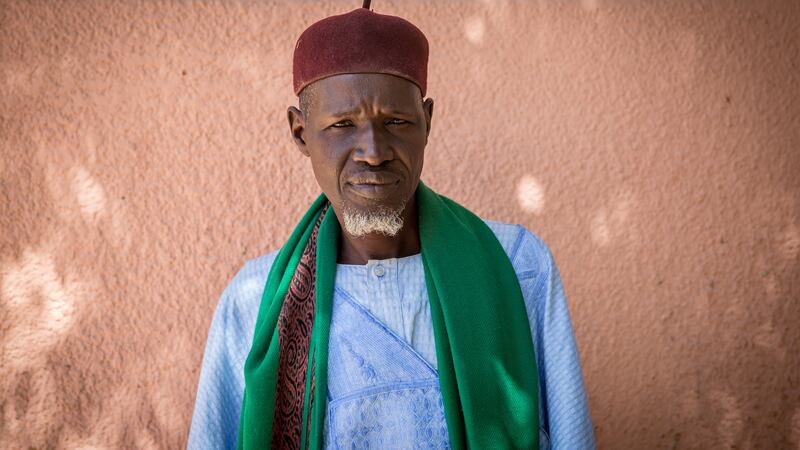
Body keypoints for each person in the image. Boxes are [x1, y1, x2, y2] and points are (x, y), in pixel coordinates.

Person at [188, 2, 594, 449]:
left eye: (396, 122)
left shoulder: (519, 265)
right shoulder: (254, 301)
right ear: (300, 133)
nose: (374, 150)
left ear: (427, 121)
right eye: (342, 124)